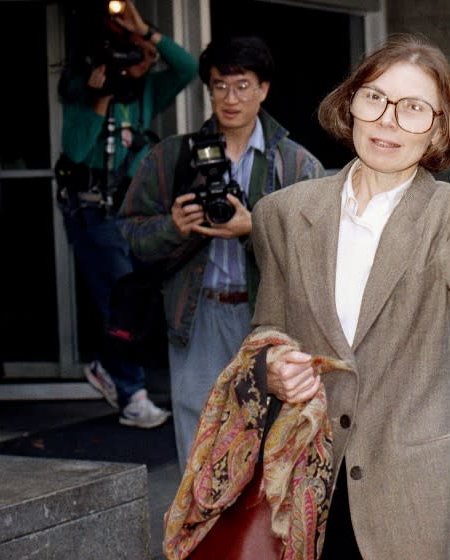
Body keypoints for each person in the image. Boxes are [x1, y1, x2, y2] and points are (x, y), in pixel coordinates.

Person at [250, 33, 450, 559]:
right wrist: (274, 363)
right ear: (350, 104)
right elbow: (266, 328)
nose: (389, 120)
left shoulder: (449, 215)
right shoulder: (282, 213)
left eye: (415, 109)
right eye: (374, 98)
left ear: (439, 126)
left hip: (411, 488)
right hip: (306, 483)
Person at [117, 35, 325, 469]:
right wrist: (173, 228)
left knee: (269, 442)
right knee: (199, 447)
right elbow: (131, 232)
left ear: (263, 89)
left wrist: (255, 227)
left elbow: (323, 252)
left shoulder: (296, 163)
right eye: (219, 86)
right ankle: (200, 537)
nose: (231, 98)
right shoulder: (171, 157)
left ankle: (252, 539)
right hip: (198, 316)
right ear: (208, 90)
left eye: (243, 85)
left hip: (269, 319)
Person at [59, 0, 197, 428]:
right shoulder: (86, 93)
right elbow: (77, 152)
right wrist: (99, 100)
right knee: (120, 295)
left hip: (133, 210)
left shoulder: (144, 94)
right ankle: (132, 393)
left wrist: (148, 30)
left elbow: (187, 67)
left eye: (149, 54)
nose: (148, 60)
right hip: (93, 210)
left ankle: (108, 368)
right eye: (137, 54)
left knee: (139, 295)